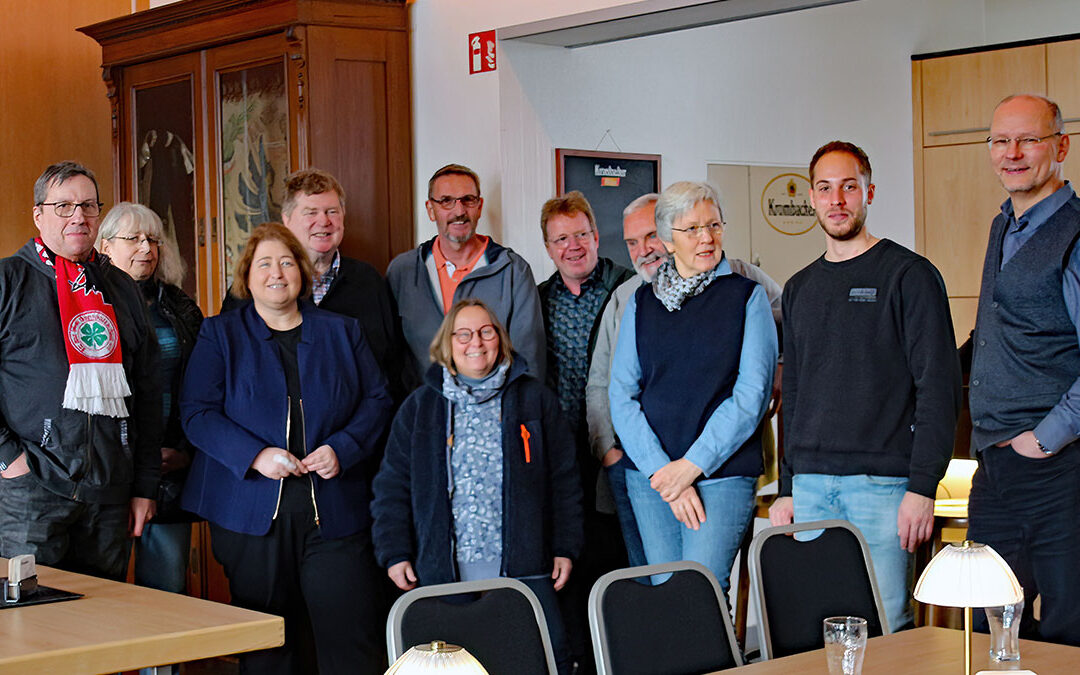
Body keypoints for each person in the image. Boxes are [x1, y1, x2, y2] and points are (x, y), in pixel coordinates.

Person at [180, 223, 393, 673]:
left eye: (286, 261)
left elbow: (377, 400)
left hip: (335, 514)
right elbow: (197, 413)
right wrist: (256, 456)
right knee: (268, 646)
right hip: (249, 515)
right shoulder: (220, 334)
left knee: (350, 639)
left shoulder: (343, 331)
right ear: (247, 276)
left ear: (301, 270)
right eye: (264, 263)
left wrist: (344, 448)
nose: (277, 272)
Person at [769, 141, 961, 633]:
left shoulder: (909, 276)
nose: (837, 200)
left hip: (885, 489)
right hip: (810, 488)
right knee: (818, 626)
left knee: (888, 625)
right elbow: (796, 396)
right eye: (826, 189)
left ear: (868, 192)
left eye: (848, 187)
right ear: (811, 198)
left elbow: (939, 388)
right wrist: (787, 486)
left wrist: (922, 487)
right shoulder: (799, 288)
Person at [371, 299, 583, 674]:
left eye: (486, 332)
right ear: (447, 344)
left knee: (540, 661)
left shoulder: (534, 399)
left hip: (527, 568)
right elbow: (392, 486)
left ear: (500, 339)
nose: (476, 343)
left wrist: (566, 546)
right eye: (463, 334)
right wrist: (394, 552)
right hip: (442, 573)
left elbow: (564, 481)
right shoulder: (420, 407)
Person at [588, 193, 783, 571]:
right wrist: (664, 473)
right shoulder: (640, 303)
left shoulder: (747, 297)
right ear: (667, 238)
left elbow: (751, 397)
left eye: (713, 225)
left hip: (719, 474)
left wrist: (690, 467)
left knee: (705, 590)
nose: (707, 237)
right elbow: (621, 394)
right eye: (692, 229)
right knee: (667, 594)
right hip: (650, 476)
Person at [0, 162, 160, 581]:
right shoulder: (8, 280)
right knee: (29, 626)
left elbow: (146, 393)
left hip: (109, 494)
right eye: (64, 205)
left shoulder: (121, 287)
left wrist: (143, 485)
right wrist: (8, 461)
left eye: (88, 206)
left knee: (104, 626)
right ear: (39, 215)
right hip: (30, 491)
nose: (78, 217)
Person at [966, 94, 1080, 645]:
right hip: (997, 467)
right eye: (1000, 140)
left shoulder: (1075, 236)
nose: (1012, 153)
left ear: (1060, 146)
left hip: (1061, 467)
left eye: (1027, 139)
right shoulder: (1003, 226)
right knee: (995, 620)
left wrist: (1046, 438)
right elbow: (999, 331)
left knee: (1067, 625)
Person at [536, 191, 632, 671]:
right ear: (549, 249)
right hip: (561, 450)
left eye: (579, 235)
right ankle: (575, 659)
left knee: (616, 557)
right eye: (560, 240)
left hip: (618, 446)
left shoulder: (627, 288)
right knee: (566, 557)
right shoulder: (537, 300)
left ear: (596, 236)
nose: (572, 246)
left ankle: (616, 655)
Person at [222, 168, 406, 401]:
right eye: (311, 212)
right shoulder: (256, 285)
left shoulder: (369, 281)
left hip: (356, 430)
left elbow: (391, 366)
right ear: (286, 220)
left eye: (332, 211)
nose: (324, 221)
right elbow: (229, 364)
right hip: (272, 428)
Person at [98, 202, 203, 594]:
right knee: (101, 593)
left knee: (166, 592)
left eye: (153, 239)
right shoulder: (86, 302)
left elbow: (201, 385)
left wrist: (185, 450)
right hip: (108, 467)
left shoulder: (178, 307)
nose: (146, 247)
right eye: (134, 238)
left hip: (168, 468)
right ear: (105, 246)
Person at [387, 163, 546, 383]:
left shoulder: (512, 271)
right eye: (446, 201)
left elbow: (529, 359)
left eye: (468, 200)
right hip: (424, 411)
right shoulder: (402, 272)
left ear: (479, 207)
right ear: (430, 210)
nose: (459, 211)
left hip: (496, 411)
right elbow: (392, 356)